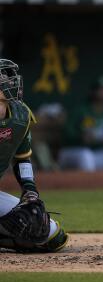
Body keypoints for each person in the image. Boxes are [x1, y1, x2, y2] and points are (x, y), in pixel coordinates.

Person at [0, 59, 69, 253]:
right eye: (2, 78)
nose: (9, 81)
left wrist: (30, 190)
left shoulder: (19, 116)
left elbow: (22, 158)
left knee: (52, 235)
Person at [58, 76, 103, 171]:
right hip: (76, 151)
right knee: (86, 155)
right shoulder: (80, 111)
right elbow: (66, 134)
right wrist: (80, 138)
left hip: (100, 152)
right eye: (101, 89)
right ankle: (86, 185)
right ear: (93, 91)